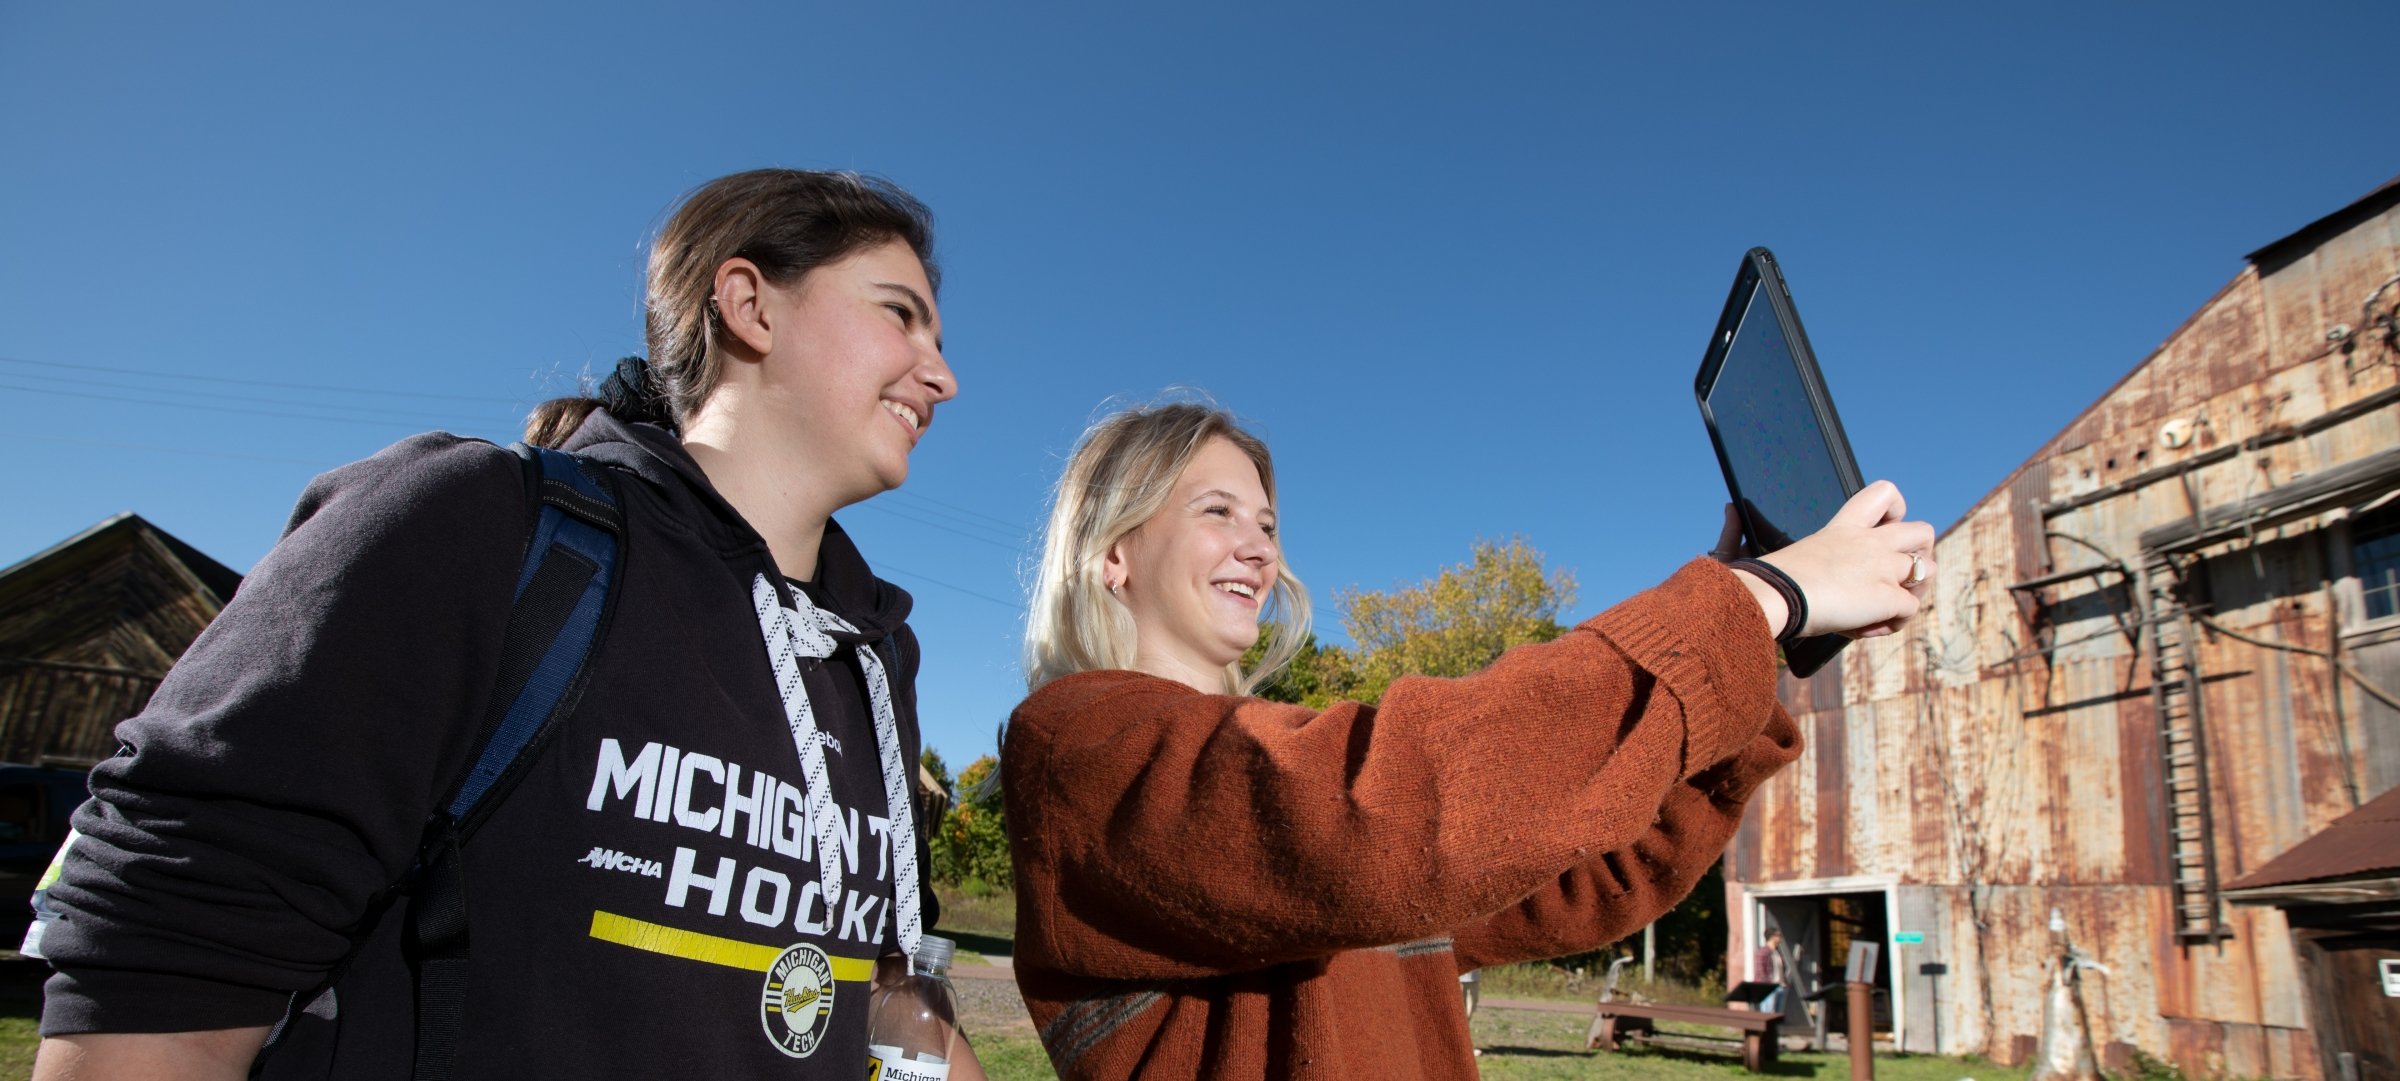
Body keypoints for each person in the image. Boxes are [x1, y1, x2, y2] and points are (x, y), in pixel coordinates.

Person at [31, 169, 985, 1080]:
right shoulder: (483, 527)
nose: (940, 375)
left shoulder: (876, 658)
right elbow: (174, 933)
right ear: (750, 303)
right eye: (900, 313)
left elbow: (889, 982)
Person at [1003, 401, 1934, 1081]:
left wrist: (1749, 654)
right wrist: (1754, 598)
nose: (1260, 548)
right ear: (1111, 550)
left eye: (1269, 524)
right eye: (1217, 511)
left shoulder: (1290, 767)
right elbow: (1382, 820)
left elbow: (1594, 872)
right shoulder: (1078, 745)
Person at [1754, 927, 1788, 1014]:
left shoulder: (1777, 952)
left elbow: (1781, 969)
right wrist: (1766, 986)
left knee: (1778, 1016)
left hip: (1780, 986)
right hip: (1768, 988)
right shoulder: (1763, 952)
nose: (1780, 938)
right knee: (1768, 1014)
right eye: (1778, 935)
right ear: (1772, 937)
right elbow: (1760, 972)